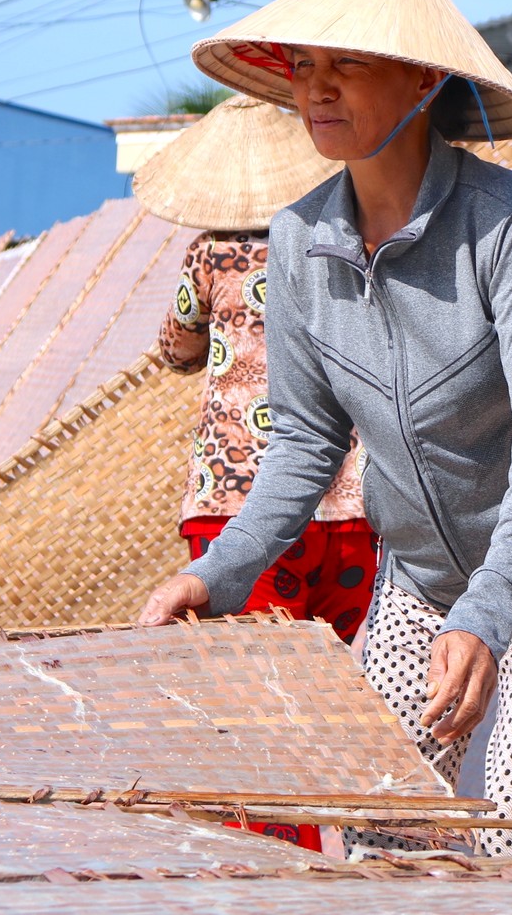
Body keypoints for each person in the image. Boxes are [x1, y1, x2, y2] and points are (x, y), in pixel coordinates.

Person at [138, 0, 512, 857]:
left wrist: (490, 612)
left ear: (419, 79)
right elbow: (303, 443)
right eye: (304, 67)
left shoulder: (511, 226)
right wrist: (215, 574)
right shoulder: (298, 240)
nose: (317, 89)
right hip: (422, 570)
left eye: (346, 64)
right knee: (380, 817)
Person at [133, 95, 379, 855]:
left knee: (249, 703)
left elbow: (174, 346)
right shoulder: (337, 240)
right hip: (347, 507)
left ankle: (280, 869)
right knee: (319, 691)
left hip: (236, 513)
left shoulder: (208, 256)